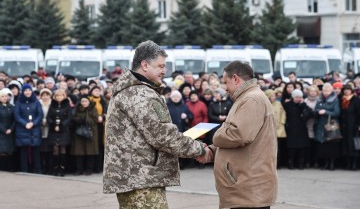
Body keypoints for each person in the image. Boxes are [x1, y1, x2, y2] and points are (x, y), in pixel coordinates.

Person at [103, 40, 207, 208]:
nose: (164, 71)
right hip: (141, 180)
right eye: (160, 66)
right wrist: (200, 149)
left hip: (134, 178)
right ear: (144, 65)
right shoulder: (141, 94)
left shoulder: (130, 90)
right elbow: (163, 136)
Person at [197, 61, 278, 209]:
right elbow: (242, 141)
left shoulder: (251, 99)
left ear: (235, 78)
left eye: (225, 82)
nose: (225, 88)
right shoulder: (248, 97)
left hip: (249, 188)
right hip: (247, 188)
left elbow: (238, 135)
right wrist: (212, 151)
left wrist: (217, 135)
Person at [14, 84, 43, 173]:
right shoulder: (19, 102)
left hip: (35, 129)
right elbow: (16, 115)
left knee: (36, 151)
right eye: (26, 90)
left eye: (29, 90)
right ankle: (24, 170)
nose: (28, 92)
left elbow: (40, 114)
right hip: (22, 129)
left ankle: (38, 170)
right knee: (23, 151)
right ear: (23, 92)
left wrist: (33, 123)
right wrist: (25, 124)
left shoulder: (36, 101)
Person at [314, 83, 341, 171]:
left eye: (328, 90)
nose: (326, 92)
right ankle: (326, 163)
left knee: (331, 144)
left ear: (331, 91)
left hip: (331, 125)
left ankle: (332, 163)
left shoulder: (335, 100)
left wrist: (325, 112)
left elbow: (337, 113)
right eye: (325, 90)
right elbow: (316, 109)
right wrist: (318, 111)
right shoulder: (320, 99)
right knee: (324, 145)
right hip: (321, 125)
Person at [283, 89, 311, 169]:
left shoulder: (303, 105)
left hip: (301, 129)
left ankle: (301, 163)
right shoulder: (287, 105)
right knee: (292, 148)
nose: (298, 99)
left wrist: (302, 105)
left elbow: (309, 113)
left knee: (302, 148)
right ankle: (290, 163)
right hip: (291, 128)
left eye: (299, 97)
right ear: (293, 97)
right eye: (296, 97)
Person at [71, 95, 99, 175]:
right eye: (82, 101)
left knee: (90, 152)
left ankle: (89, 170)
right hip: (79, 132)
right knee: (79, 152)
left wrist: (86, 119)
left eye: (86, 101)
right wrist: (80, 120)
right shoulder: (77, 108)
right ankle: (79, 170)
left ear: (89, 102)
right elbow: (74, 118)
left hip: (91, 132)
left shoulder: (93, 109)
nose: (84, 103)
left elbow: (95, 119)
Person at [47, 89, 72, 176]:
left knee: (63, 149)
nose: (59, 97)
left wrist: (61, 125)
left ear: (64, 96)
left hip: (64, 130)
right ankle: (55, 168)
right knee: (55, 149)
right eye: (57, 96)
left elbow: (69, 118)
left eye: (61, 95)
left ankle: (62, 169)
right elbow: (48, 117)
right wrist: (53, 124)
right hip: (53, 130)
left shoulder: (67, 105)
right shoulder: (52, 105)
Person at [0, 89, 15, 171]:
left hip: (10, 131)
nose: (5, 98)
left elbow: (15, 119)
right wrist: (4, 130)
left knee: (10, 151)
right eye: (2, 96)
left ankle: (9, 169)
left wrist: (11, 129)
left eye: (6, 96)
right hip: (1, 132)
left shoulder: (12, 107)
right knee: (2, 151)